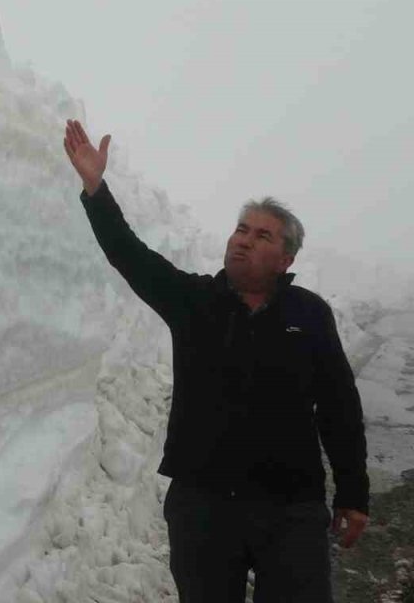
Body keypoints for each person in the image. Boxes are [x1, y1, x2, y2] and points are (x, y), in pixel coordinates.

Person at [62, 119, 369, 602]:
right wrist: (96, 189)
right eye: (241, 229)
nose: (243, 239)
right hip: (202, 509)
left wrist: (353, 491)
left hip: (291, 510)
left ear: (286, 258)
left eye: (262, 236)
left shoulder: (308, 314)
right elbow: (130, 255)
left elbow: (339, 407)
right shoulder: (194, 300)